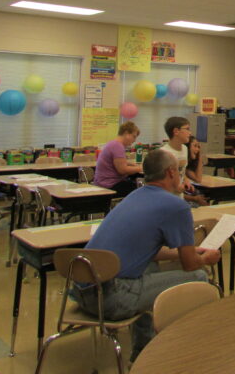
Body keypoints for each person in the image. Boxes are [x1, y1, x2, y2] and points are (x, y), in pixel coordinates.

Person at [72, 149, 221, 363]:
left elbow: (145, 252)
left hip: (83, 293)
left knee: (148, 268)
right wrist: (206, 258)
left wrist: (189, 252)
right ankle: (189, 350)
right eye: (179, 171)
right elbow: (189, 264)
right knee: (199, 277)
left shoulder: (134, 196)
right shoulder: (176, 206)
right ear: (171, 172)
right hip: (112, 299)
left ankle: (143, 350)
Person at [161, 117, 207, 206]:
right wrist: (176, 187)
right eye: (187, 129)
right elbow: (162, 179)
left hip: (179, 198)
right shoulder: (163, 153)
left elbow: (181, 170)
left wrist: (186, 180)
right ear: (176, 131)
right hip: (167, 199)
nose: (190, 133)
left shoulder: (185, 149)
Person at [93, 121, 143, 196]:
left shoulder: (113, 143)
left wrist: (131, 164)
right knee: (142, 189)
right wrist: (140, 168)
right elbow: (122, 170)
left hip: (102, 183)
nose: (134, 140)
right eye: (134, 136)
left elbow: (117, 162)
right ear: (126, 133)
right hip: (109, 186)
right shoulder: (117, 146)